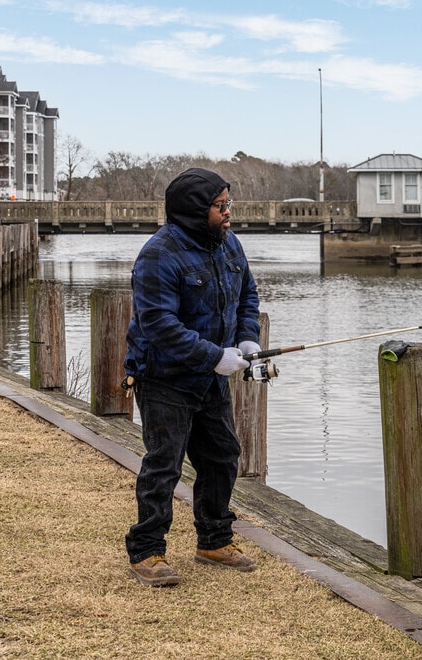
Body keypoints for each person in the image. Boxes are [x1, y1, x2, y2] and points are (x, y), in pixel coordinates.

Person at [123, 167, 262, 587]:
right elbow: (158, 325)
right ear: (195, 211)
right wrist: (214, 357)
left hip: (210, 376)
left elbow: (248, 296)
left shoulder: (229, 244)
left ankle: (214, 540)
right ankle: (147, 551)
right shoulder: (158, 254)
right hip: (164, 377)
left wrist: (248, 339)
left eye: (228, 204)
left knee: (222, 456)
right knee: (164, 464)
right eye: (221, 207)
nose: (228, 213)